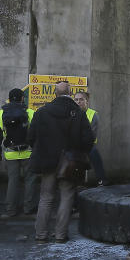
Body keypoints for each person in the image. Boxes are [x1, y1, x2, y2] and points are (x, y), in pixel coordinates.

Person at [28, 81, 94, 243]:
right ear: (70, 94)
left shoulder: (42, 112)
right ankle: (60, 235)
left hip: (47, 161)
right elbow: (88, 140)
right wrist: (78, 152)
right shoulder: (78, 113)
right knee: (66, 197)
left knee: (46, 197)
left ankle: (41, 235)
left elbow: (31, 138)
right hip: (70, 163)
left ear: (55, 94)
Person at [0, 88, 39, 217]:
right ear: (22, 98)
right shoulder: (31, 113)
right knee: (30, 180)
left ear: (9, 98)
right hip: (28, 152)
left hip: (10, 153)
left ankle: (11, 209)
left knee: (13, 181)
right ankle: (28, 207)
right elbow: (36, 134)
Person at [73, 91, 105, 185]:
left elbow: (92, 134)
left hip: (88, 144)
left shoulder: (93, 114)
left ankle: (102, 180)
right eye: (76, 99)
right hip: (75, 144)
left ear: (87, 101)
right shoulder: (72, 113)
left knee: (95, 154)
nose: (78, 102)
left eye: (81, 99)